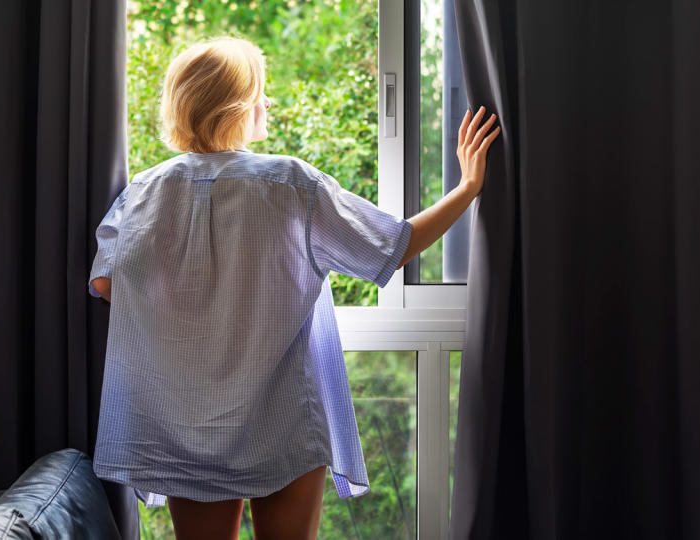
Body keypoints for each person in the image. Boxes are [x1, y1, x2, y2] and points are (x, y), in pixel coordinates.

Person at [87, 36, 499, 540]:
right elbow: (396, 244)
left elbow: (108, 283)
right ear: (235, 104)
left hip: (187, 428)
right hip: (281, 421)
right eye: (260, 91)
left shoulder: (143, 194)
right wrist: (467, 189)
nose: (267, 102)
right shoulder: (291, 185)